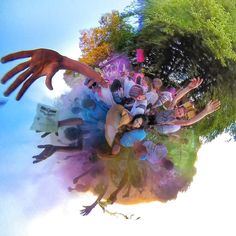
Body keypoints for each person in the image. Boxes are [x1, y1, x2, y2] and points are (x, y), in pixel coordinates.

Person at [1, 48, 108, 100]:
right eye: (91, 86)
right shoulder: (100, 96)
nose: (93, 87)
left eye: (92, 85)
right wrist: (61, 62)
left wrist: (62, 61)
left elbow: (87, 70)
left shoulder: (109, 86)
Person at [148, 78, 221, 134]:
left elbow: (188, 122)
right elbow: (176, 98)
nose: (179, 112)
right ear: (177, 108)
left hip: (154, 124)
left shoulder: (174, 121)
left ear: (180, 117)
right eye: (179, 110)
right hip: (152, 117)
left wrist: (205, 112)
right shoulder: (170, 109)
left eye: (180, 113)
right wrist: (189, 88)